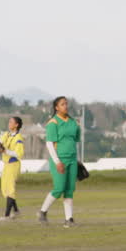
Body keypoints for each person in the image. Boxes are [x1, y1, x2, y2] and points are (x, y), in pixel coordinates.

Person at [37, 96, 81, 228]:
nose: (65, 106)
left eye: (66, 104)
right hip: (59, 159)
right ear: (56, 107)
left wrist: (78, 161)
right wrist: (57, 162)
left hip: (72, 159)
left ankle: (69, 220)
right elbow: (50, 144)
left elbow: (75, 141)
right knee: (59, 188)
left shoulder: (74, 122)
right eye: (62, 104)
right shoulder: (53, 123)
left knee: (69, 190)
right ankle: (42, 212)